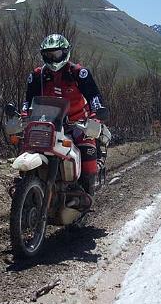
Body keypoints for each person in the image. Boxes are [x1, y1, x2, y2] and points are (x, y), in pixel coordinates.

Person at [22, 34, 108, 198]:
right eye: (49, 54)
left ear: (65, 52)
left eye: (57, 53)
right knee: (26, 148)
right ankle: (26, 187)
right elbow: (27, 101)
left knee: (88, 154)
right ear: (43, 55)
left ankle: (87, 193)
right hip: (46, 124)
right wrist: (24, 114)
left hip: (77, 123)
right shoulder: (37, 76)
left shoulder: (79, 73)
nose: (53, 58)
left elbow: (94, 98)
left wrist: (96, 116)